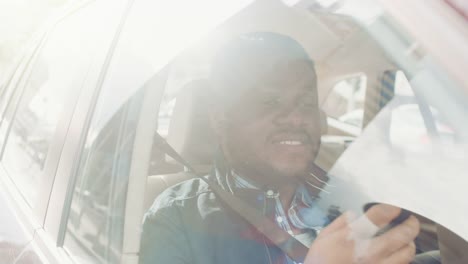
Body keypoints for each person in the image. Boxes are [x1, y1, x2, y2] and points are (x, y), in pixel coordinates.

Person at [139, 32, 420, 264]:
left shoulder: (353, 202)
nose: (296, 118)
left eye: (306, 102)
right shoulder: (175, 219)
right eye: (269, 102)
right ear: (220, 117)